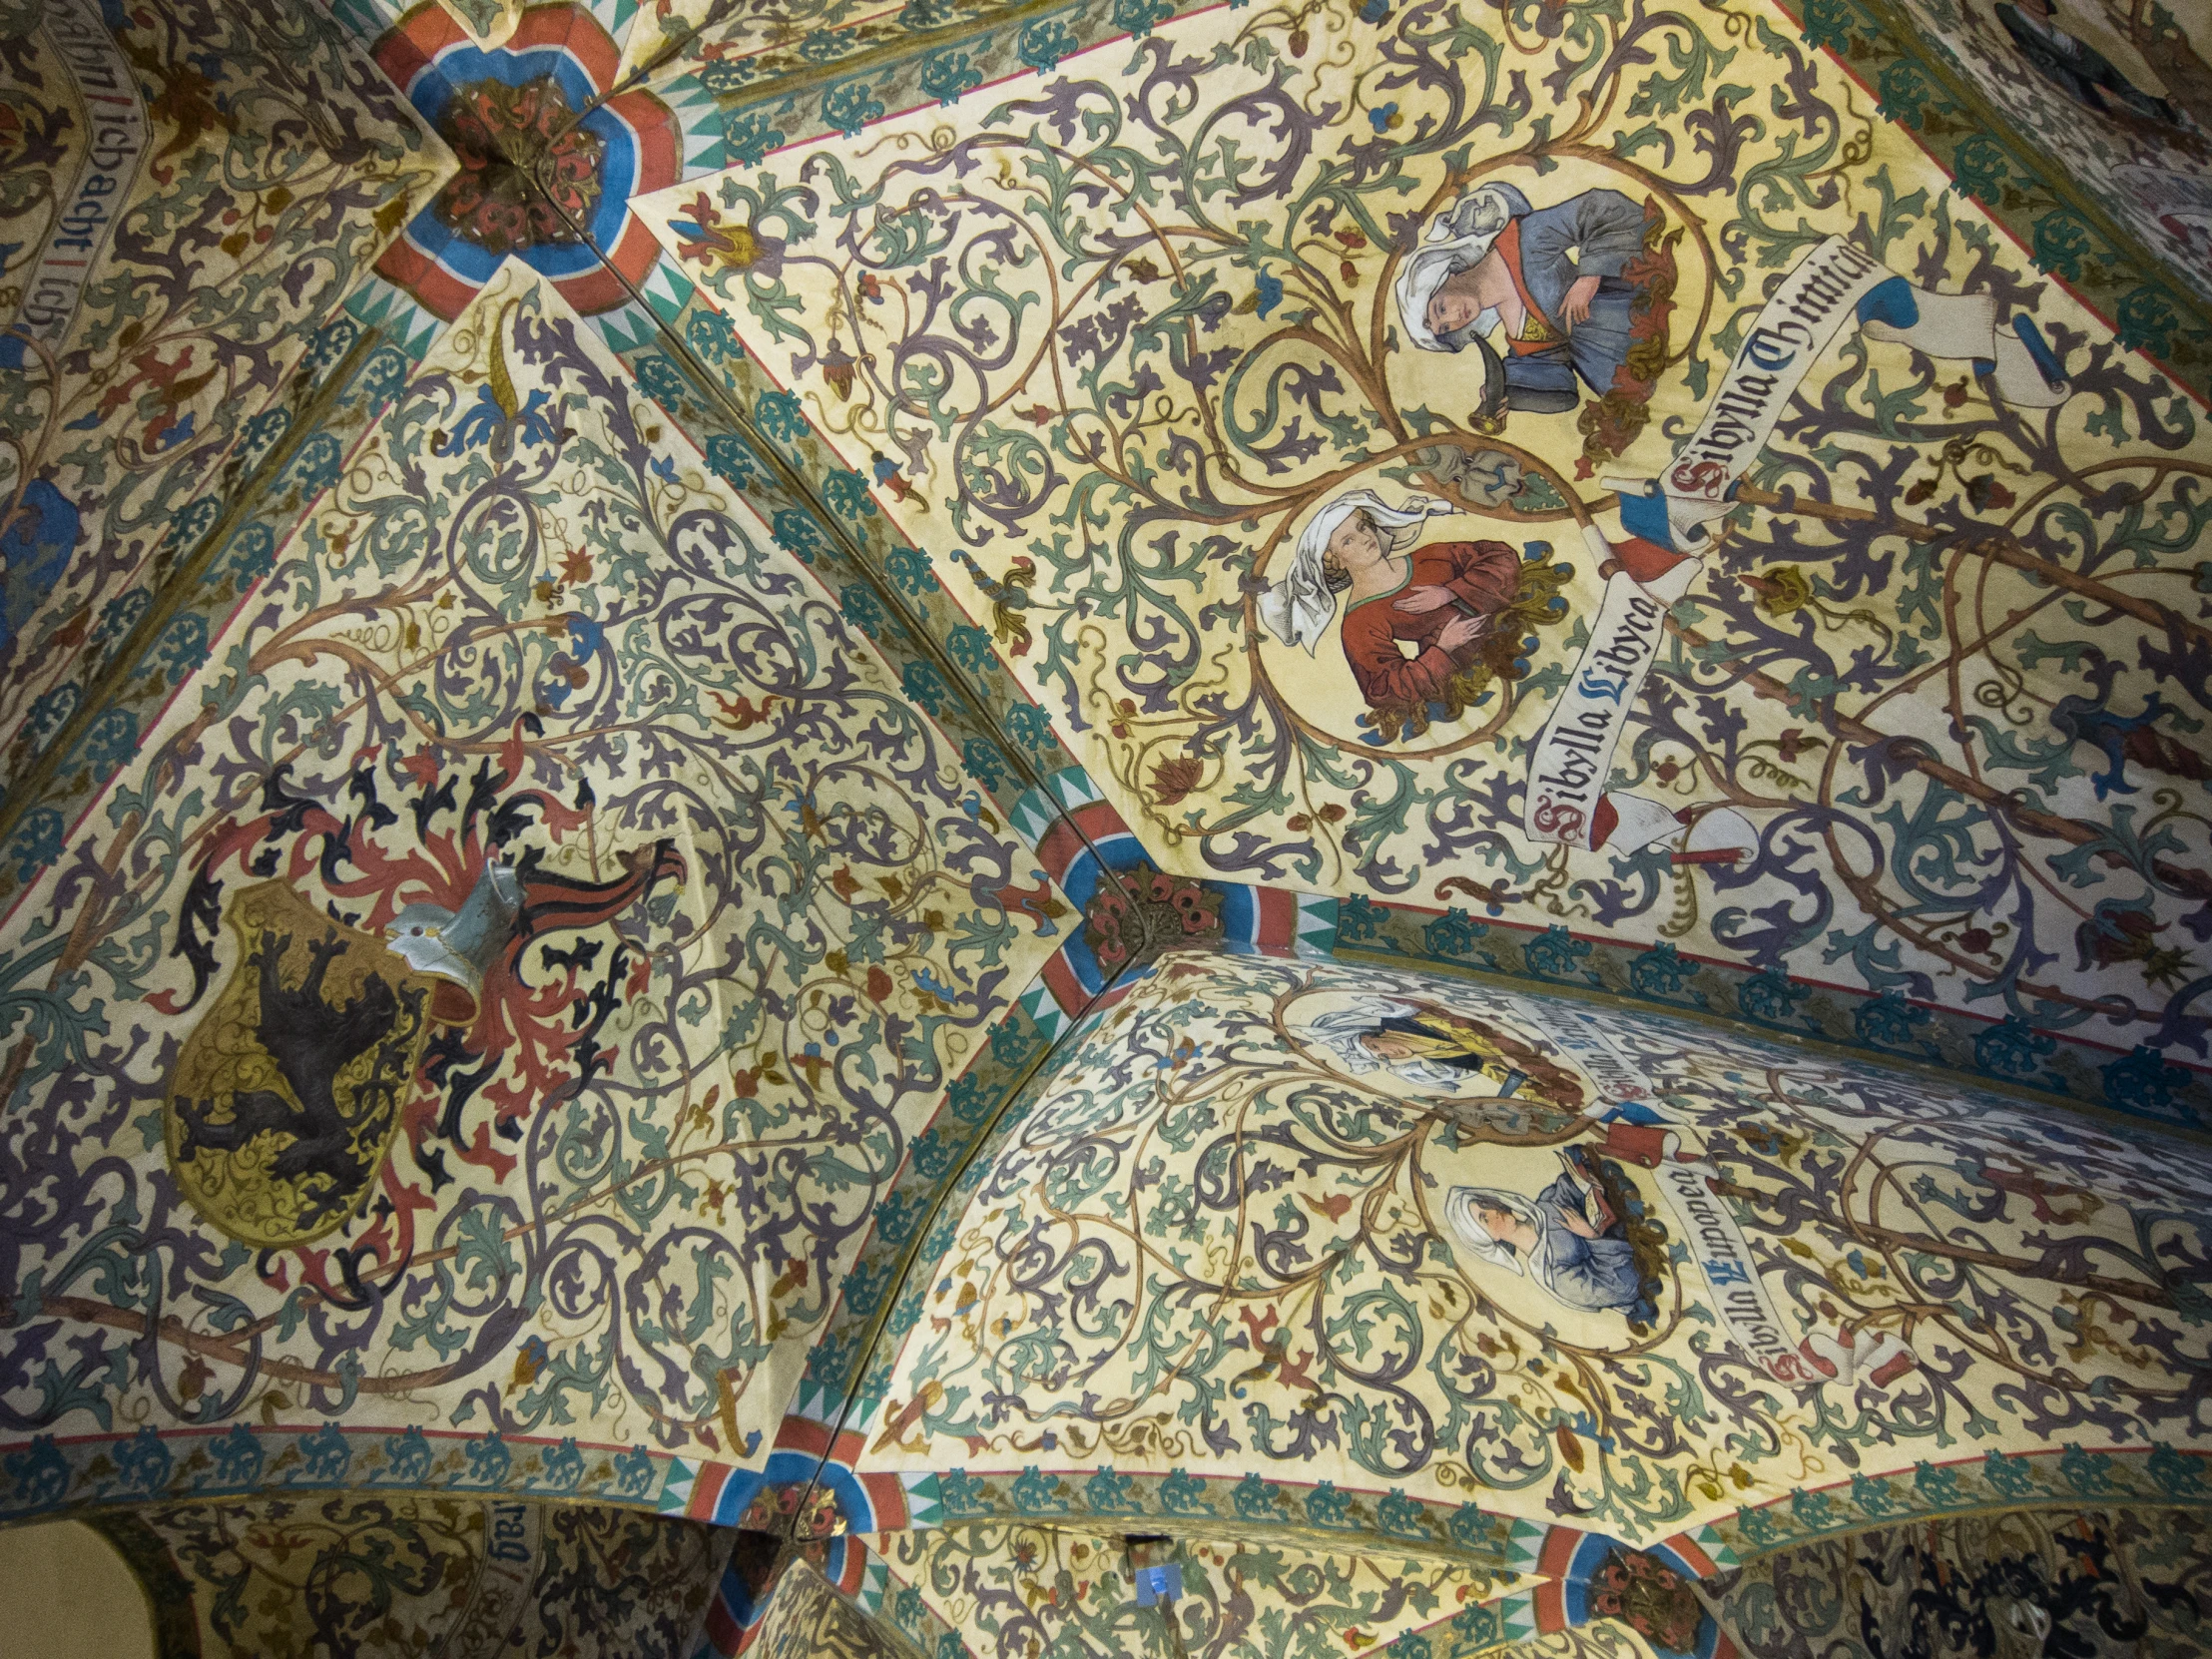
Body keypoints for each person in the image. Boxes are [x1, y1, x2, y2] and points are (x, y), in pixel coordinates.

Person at [1393, 183, 1674, 430]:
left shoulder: (1524, 240)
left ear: (1447, 276)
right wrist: (1506, 397)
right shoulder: (1517, 333)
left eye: (1441, 308)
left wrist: (1590, 276)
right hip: (1629, 372)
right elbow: (1562, 395)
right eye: (1446, 328)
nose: (1455, 319)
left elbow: (1602, 207)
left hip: (1641, 306)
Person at [1259, 490, 1521, 735]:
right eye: (1348, 540)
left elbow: (1501, 556)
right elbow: (1382, 689)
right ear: (1335, 560)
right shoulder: (1359, 621)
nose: (1364, 538)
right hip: (1473, 677)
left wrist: (1451, 592)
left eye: (1362, 527)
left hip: (1517, 627)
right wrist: (1443, 649)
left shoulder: (1427, 557)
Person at [1444, 1146, 1643, 1316]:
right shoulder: (1555, 1275)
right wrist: (1592, 1237)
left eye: (1485, 1203)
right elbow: (1623, 1287)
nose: (1494, 1211)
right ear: (1490, 1238)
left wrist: (1588, 1183)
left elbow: (1569, 1186)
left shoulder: (1546, 1207)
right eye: (1484, 1219)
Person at [1296, 994, 1587, 1109]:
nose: (1388, 1054)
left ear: (1375, 1035)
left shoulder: (1408, 1021)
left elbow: (1465, 1028)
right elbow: (1483, 1066)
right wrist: (1530, 1091)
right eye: (1381, 1058)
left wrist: (1503, 1055)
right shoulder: (1430, 1061)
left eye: (1376, 1047)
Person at [1994, 0, 2184, 127]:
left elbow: (2117, 80)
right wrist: (2092, 91)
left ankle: (2163, 109)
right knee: (2114, 91)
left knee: (2116, 80)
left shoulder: (2061, 36)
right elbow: (2044, 62)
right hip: (2081, 81)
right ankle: (2160, 112)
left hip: (2080, 60)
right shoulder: (2009, 14)